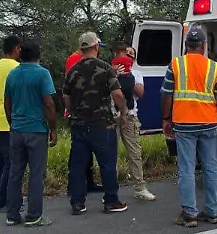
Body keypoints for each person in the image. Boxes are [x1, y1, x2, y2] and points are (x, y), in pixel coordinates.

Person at [162, 25, 217, 228]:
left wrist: (166, 118)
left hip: (184, 123)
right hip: (209, 122)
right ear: (203, 45)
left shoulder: (176, 65)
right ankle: (213, 211)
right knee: (211, 167)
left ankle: (190, 214)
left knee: (187, 168)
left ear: (186, 45)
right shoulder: (214, 67)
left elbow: (166, 93)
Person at [63, 32, 129, 214]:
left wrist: (74, 112)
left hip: (79, 125)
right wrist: (123, 113)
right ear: (96, 47)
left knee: (77, 165)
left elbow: (66, 99)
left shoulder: (72, 71)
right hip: (102, 124)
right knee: (107, 164)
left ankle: (77, 203)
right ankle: (111, 201)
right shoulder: (105, 68)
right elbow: (117, 94)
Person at [4, 40, 57, 227]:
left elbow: (7, 103)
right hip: (36, 130)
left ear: (21, 55)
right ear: (38, 55)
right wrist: (53, 129)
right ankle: (34, 215)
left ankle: (12, 214)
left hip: (17, 130)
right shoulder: (42, 74)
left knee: (15, 172)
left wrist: (13, 123)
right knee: (36, 173)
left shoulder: (12, 74)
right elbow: (48, 103)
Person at [112, 42, 156, 202]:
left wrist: (128, 77)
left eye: (131, 54)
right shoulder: (110, 69)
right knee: (111, 154)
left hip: (130, 116)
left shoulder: (137, 73)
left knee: (135, 153)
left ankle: (140, 188)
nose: (128, 55)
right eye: (126, 53)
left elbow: (140, 92)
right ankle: (111, 191)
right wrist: (114, 73)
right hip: (112, 115)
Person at [0, 36, 21, 213]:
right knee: (12, 162)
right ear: (16, 49)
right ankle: (2, 201)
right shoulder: (16, 67)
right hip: (7, 120)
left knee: (0, 162)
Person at [65, 48, 101, 192]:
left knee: (86, 150)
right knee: (78, 151)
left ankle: (89, 182)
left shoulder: (77, 60)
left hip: (83, 112)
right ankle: (74, 186)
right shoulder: (75, 60)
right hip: (80, 113)